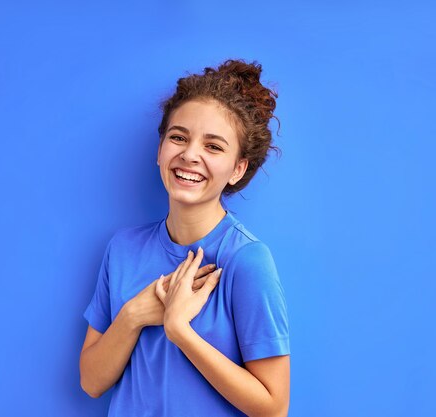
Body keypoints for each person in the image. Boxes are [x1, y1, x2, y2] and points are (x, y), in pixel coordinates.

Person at [79, 59, 290, 417]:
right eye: (178, 137)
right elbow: (91, 382)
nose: (189, 155)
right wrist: (134, 315)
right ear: (160, 150)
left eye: (213, 146)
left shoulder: (246, 260)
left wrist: (180, 330)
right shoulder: (123, 249)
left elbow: (273, 408)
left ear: (238, 169)